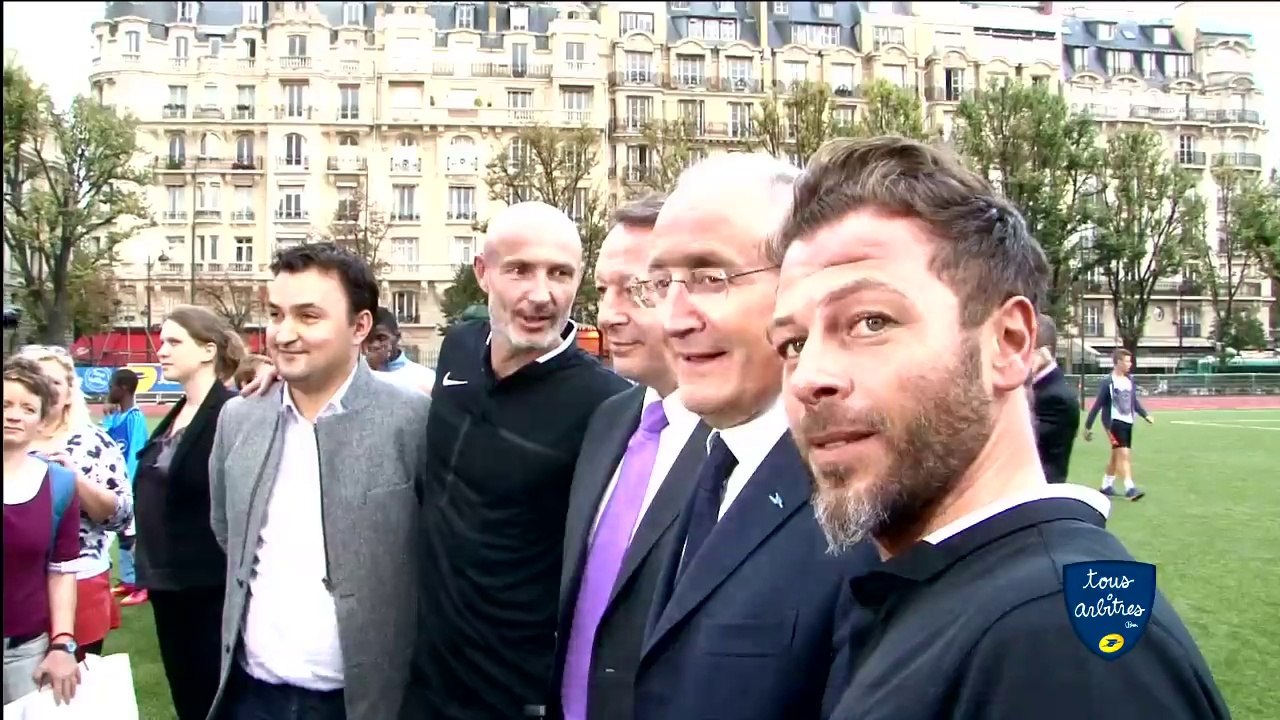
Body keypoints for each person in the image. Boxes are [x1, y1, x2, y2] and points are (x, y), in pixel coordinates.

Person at [768, 136, 1227, 719]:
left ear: (1009, 345)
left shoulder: (1060, 640)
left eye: (870, 321)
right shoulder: (940, 597)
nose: (810, 377)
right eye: (792, 344)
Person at [631, 154, 878, 720]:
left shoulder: (862, 497)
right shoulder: (710, 457)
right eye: (660, 282)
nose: (672, 318)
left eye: (709, 278)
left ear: (800, 286)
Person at [400, 201, 630, 720]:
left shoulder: (609, 405)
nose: (541, 294)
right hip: (426, 679)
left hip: (519, 694)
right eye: (520, 270)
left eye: (560, 273)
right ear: (483, 274)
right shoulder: (458, 350)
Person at [209, 243, 431, 720]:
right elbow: (227, 532)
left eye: (308, 316)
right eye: (275, 314)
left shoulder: (414, 421)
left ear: (360, 326)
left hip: (365, 702)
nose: (284, 334)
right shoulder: (238, 418)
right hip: (252, 696)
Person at [555, 193, 711, 720]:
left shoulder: (739, 450)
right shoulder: (607, 422)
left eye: (636, 289)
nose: (607, 314)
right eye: (602, 290)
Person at [132, 306, 243, 719]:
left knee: (213, 700)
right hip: (166, 584)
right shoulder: (177, 414)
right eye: (162, 341)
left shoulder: (230, 412)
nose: (162, 351)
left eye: (175, 342)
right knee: (187, 700)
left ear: (207, 350)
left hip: (208, 586)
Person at [19, 345, 132, 661]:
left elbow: (120, 516)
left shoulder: (92, 442)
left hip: (79, 582)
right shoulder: (10, 439)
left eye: (53, 383)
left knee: (68, 692)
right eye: (32, 380)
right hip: (14, 585)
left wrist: (74, 480)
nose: (41, 389)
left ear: (69, 393)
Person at [3, 358, 81, 705]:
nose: (14, 415)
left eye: (27, 407)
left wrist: (63, 642)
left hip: (24, 652)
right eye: (5, 404)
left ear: (42, 420)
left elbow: (62, 571)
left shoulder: (59, 484)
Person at [101, 369, 149, 602]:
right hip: (117, 486)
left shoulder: (135, 418)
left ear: (124, 389)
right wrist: (108, 418)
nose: (109, 390)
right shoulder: (118, 416)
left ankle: (142, 585)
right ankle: (129, 581)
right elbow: (106, 444)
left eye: (112, 386)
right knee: (122, 534)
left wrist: (127, 485)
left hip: (131, 486)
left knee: (133, 535)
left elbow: (136, 453)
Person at [1084, 348, 1153, 501]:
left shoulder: (1130, 380)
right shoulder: (1108, 382)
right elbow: (1098, 405)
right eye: (1127, 361)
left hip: (1127, 422)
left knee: (1117, 455)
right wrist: (1088, 426)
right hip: (1113, 423)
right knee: (1124, 454)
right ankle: (1130, 488)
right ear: (1118, 362)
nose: (1130, 364)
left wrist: (1145, 415)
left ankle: (1106, 486)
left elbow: (1133, 401)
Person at [1030, 314, 1080, 485]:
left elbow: (1018, 443)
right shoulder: (1041, 388)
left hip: (1037, 495)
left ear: (1044, 352)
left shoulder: (1057, 398)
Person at [366, 307, 436, 394]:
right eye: (368, 339)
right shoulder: (354, 377)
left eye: (381, 338)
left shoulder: (424, 378)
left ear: (397, 337)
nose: (375, 345)